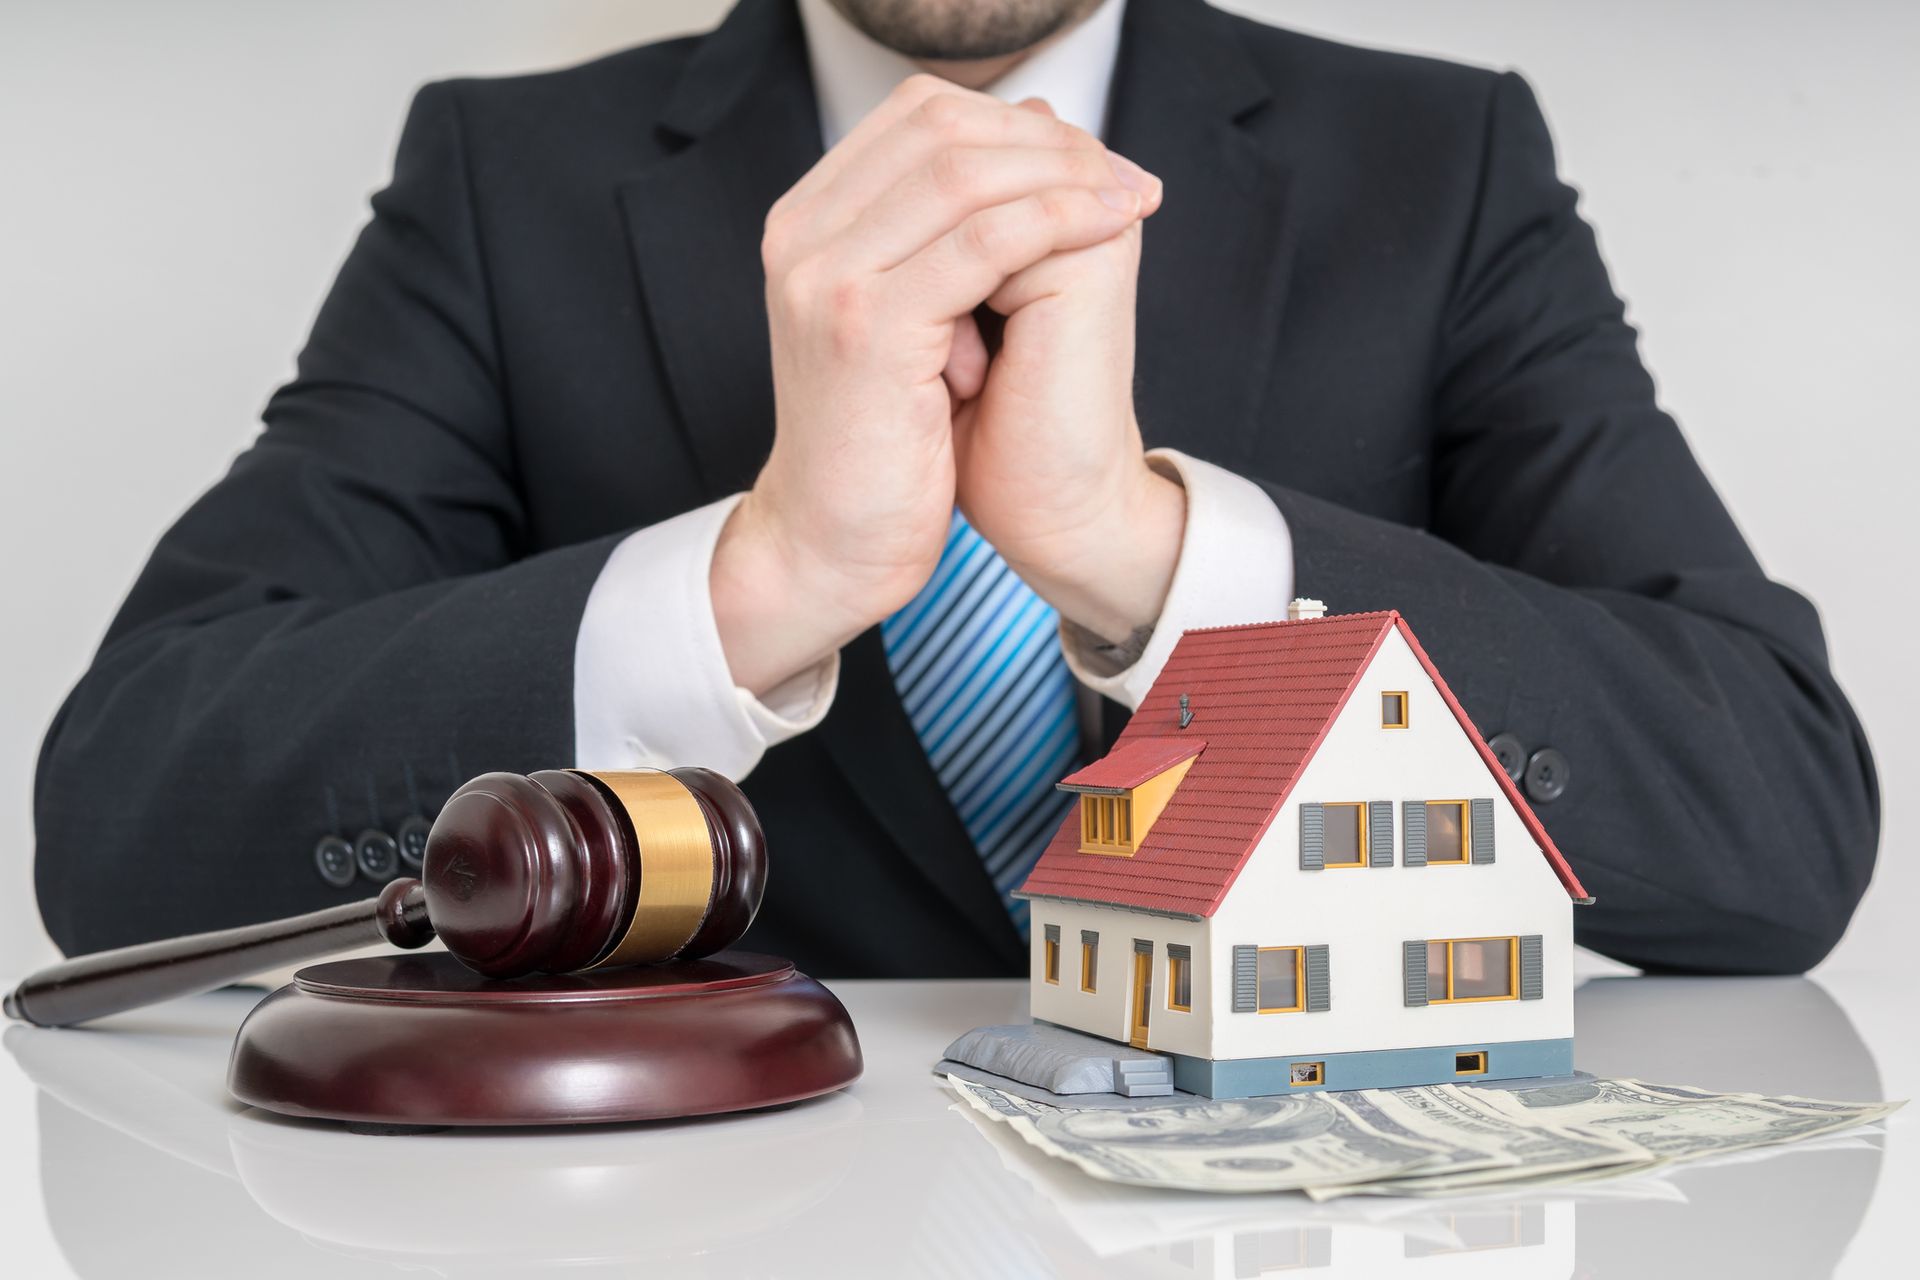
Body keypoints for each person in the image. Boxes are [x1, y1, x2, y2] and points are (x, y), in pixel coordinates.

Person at [31, 0, 1877, 977]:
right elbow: (123, 822)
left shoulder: (1442, 156)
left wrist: (1152, 557)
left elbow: (1779, 825)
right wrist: (757, 582)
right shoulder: (506, 176)